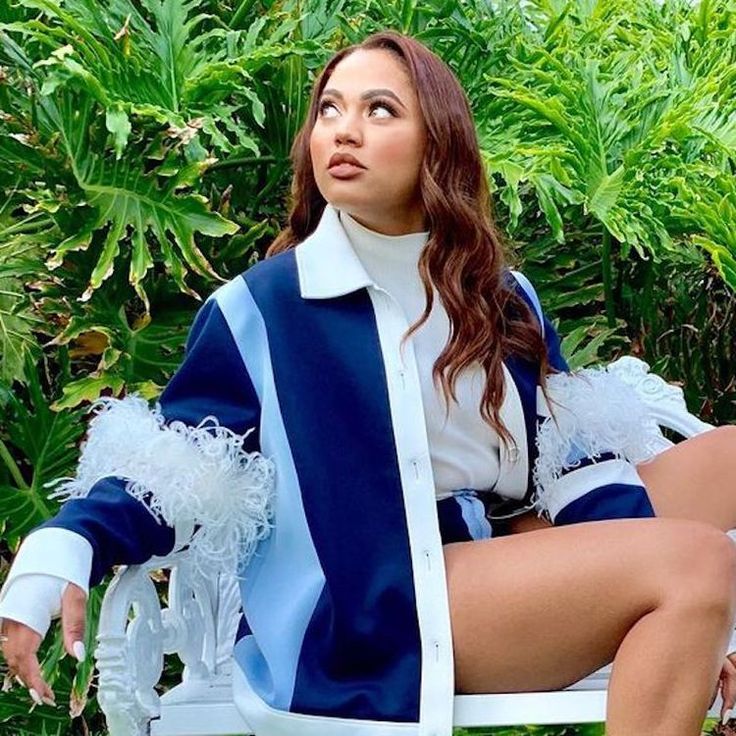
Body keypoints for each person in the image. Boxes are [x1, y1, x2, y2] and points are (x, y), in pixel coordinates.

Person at [2, 30, 736, 736]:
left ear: (437, 141)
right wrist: (62, 548)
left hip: (506, 550)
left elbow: (572, 466)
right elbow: (183, 469)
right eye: (329, 109)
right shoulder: (268, 307)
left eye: (378, 109)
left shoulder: (500, 297)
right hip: (383, 601)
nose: (342, 131)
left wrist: (693, 623)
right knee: (697, 562)